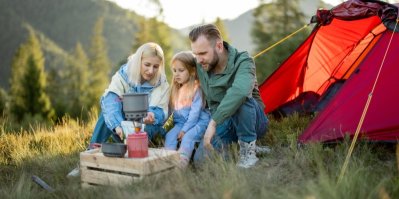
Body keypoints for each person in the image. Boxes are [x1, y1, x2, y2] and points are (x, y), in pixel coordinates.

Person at [188, 24, 268, 168]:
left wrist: (213, 122)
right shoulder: (202, 64)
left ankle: (248, 152)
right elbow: (181, 65)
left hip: (253, 119)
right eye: (195, 54)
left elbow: (241, 91)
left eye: (203, 53)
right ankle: (243, 147)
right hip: (224, 121)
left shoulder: (244, 61)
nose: (198, 60)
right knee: (201, 161)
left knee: (238, 98)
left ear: (218, 46)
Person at [89, 42, 169, 146]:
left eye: (156, 66)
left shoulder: (161, 83)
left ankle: (143, 144)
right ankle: (94, 147)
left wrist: (152, 115)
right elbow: (111, 100)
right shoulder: (123, 75)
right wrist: (117, 125)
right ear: (138, 61)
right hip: (123, 126)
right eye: (147, 65)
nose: (151, 71)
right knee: (107, 111)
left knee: (147, 131)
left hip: (146, 127)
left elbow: (160, 110)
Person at [164, 51, 210, 168]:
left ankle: (181, 166)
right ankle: (167, 164)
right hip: (181, 123)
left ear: (192, 71)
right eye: (174, 70)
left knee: (187, 138)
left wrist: (184, 130)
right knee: (170, 136)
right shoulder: (176, 89)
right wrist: (164, 126)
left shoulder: (196, 88)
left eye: (181, 70)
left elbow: (195, 114)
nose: (176, 74)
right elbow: (171, 111)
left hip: (198, 122)